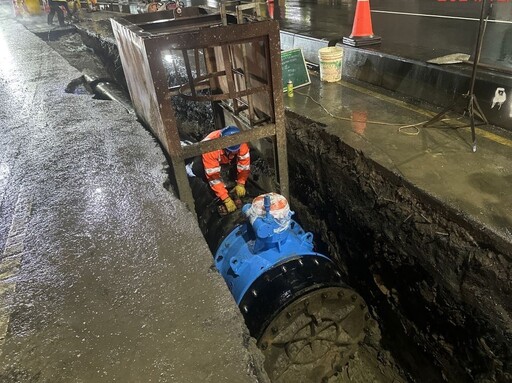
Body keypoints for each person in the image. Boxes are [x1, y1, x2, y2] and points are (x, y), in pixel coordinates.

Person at [186, 126, 250, 213]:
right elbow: (213, 177)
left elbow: (244, 164)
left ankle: (231, 179)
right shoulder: (210, 146)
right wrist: (225, 198)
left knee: (250, 158)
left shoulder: (240, 141)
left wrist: (241, 183)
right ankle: (206, 182)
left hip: (226, 158)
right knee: (198, 169)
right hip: (210, 158)